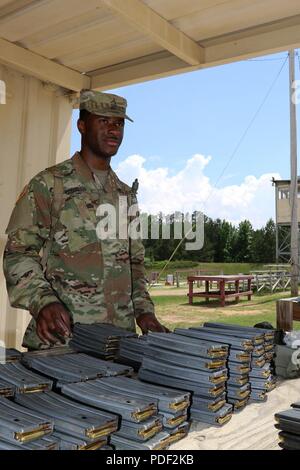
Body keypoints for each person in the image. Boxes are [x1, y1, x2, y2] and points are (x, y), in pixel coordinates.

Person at [3, 90, 167, 350]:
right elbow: (18, 254)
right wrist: (43, 301)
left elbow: (135, 264)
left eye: (119, 123)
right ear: (82, 126)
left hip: (118, 343)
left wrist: (144, 313)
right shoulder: (50, 184)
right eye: (104, 121)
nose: (113, 130)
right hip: (62, 340)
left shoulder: (126, 195)